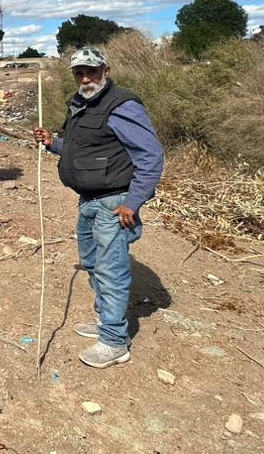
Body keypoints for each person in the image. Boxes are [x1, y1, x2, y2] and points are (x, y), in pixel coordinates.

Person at [32, 47, 164, 370]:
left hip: (115, 203)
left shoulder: (122, 106)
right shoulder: (80, 104)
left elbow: (151, 155)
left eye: (91, 71)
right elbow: (83, 148)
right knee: (92, 263)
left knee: (110, 270)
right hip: (88, 200)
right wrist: (53, 143)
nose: (85, 78)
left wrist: (133, 203)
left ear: (106, 69)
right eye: (79, 72)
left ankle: (115, 341)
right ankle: (108, 319)